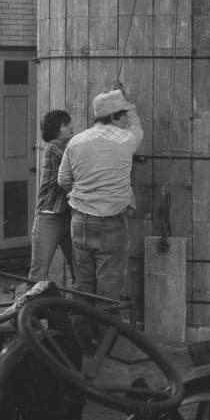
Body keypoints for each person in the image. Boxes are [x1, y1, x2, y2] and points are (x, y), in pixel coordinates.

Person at [58, 86, 144, 330]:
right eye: (123, 115)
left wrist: (85, 192)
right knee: (108, 287)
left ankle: (83, 339)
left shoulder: (76, 141)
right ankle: (106, 342)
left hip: (80, 222)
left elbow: (63, 180)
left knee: (83, 285)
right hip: (110, 224)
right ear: (116, 117)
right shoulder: (127, 140)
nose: (126, 119)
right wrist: (131, 105)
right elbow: (138, 129)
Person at [27, 110, 76, 291]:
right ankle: (24, 316)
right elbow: (78, 161)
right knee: (38, 274)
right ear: (57, 128)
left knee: (78, 270)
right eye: (66, 124)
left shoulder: (68, 146)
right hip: (50, 218)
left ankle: (79, 315)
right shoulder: (54, 147)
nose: (72, 126)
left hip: (69, 217)